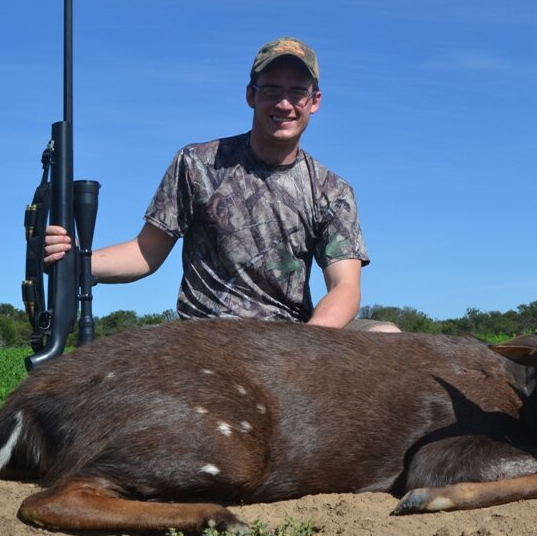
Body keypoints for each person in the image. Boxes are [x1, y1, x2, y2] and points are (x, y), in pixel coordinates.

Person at [45, 37, 399, 332]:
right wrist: (79, 260)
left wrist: (304, 349)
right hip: (209, 336)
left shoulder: (332, 191)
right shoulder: (197, 163)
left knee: (387, 335)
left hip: (294, 340)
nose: (285, 104)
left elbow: (346, 287)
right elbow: (145, 253)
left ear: (314, 101)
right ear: (251, 95)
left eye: (297, 93)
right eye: (272, 90)